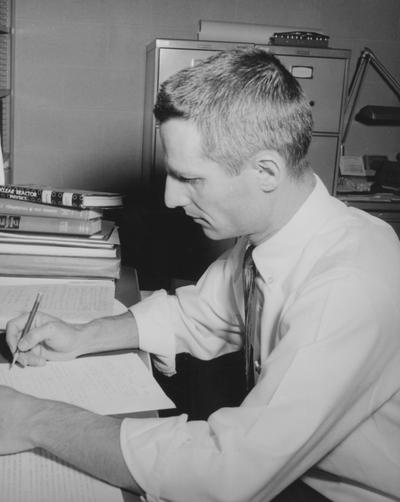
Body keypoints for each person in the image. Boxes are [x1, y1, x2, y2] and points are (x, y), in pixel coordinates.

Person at [1, 48, 400, 502]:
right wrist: (83, 335)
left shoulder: (349, 287)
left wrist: (32, 419)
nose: (170, 198)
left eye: (190, 179)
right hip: (295, 475)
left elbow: (226, 471)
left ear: (265, 171)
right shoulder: (272, 235)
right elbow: (200, 314)